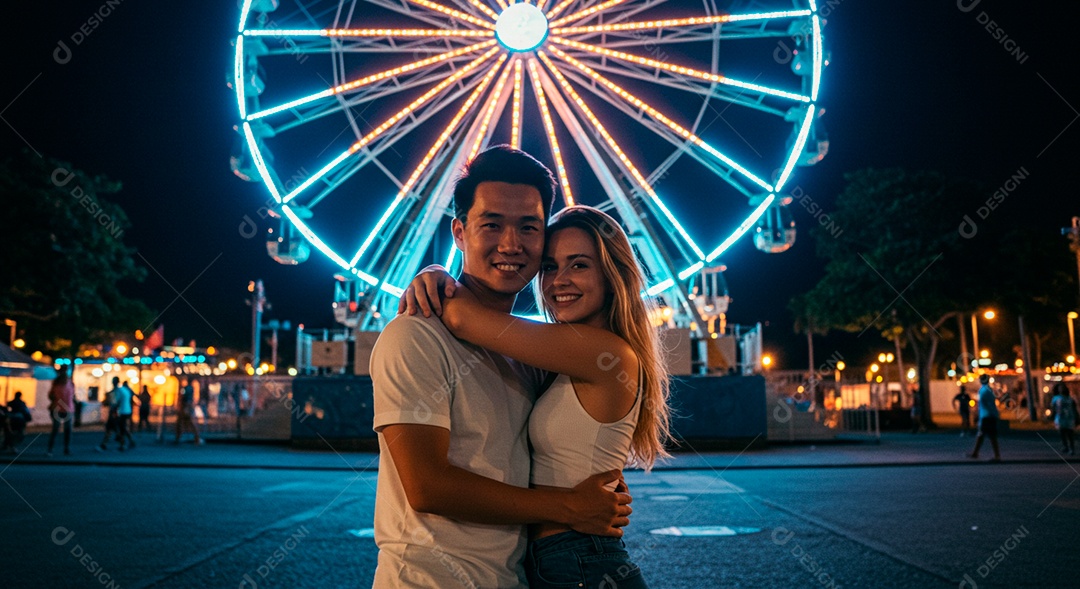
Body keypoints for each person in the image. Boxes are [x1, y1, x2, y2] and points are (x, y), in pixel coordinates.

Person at [371, 146, 632, 588]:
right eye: (491, 224)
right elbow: (427, 486)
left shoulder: (528, 357)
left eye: (528, 228)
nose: (511, 244)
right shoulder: (414, 336)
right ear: (459, 231)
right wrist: (567, 506)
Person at [402, 204, 672, 588]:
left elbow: (462, 317)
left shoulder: (601, 354)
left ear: (613, 276)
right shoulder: (568, 357)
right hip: (565, 559)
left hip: (578, 561)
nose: (559, 281)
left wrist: (434, 274)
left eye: (579, 265)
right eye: (548, 267)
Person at [968, 374, 1001, 462]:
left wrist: (978, 415)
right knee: (984, 435)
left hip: (987, 416)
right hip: (990, 415)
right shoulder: (989, 390)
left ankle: (996, 455)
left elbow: (984, 404)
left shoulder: (983, 391)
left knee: (987, 435)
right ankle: (976, 453)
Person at [47, 370, 75, 456]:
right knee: (64, 429)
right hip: (64, 408)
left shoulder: (57, 383)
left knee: (59, 429)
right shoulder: (69, 384)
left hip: (62, 408)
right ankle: (64, 448)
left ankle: (52, 449)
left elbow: (50, 395)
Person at [174, 377, 204, 445]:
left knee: (183, 422)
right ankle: (196, 437)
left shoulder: (186, 388)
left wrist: (182, 405)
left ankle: (179, 437)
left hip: (185, 407)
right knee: (189, 423)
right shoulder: (191, 388)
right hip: (187, 406)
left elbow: (183, 396)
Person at [1050, 383, 1076, 455]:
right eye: (1060, 388)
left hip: (1069, 417)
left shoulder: (1070, 398)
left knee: (1070, 433)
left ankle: (1072, 448)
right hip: (1060, 417)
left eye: (1062, 388)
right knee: (1062, 432)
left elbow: (1074, 408)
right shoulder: (1056, 398)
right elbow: (1053, 408)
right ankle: (1065, 446)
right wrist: (1052, 416)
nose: (1061, 390)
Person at [98, 377, 122, 451]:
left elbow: (113, 403)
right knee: (113, 429)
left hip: (115, 413)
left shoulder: (116, 392)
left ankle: (123, 444)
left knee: (113, 429)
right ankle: (104, 444)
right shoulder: (117, 391)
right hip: (115, 413)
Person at [114, 380, 135, 450]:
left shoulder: (120, 391)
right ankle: (130, 441)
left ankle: (123, 444)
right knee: (124, 427)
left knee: (122, 428)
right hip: (127, 410)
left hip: (122, 411)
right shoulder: (127, 390)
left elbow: (117, 401)